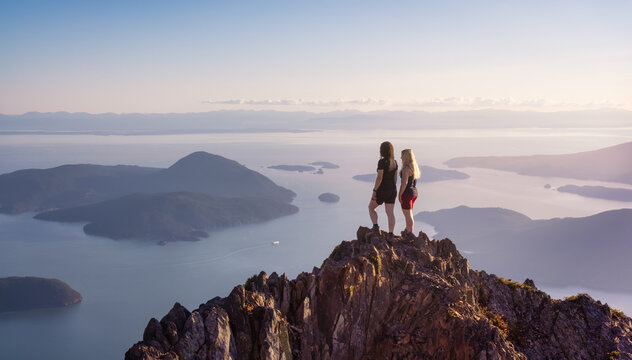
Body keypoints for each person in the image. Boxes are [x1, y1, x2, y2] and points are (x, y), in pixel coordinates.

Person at [369, 141, 398, 235]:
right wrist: (392, 189)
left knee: (371, 207)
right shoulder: (395, 162)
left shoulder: (382, 162)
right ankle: (391, 234)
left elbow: (379, 177)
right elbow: (395, 178)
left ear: (382, 150)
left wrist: (375, 190)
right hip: (392, 190)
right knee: (390, 213)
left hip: (382, 190)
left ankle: (375, 227)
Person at [398, 148, 420, 235]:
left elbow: (404, 183)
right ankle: (407, 230)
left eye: (402, 156)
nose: (400, 158)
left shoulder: (406, 168)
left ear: (405, 157)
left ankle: (410, 233)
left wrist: (400, 194)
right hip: (414, 193)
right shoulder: (414, 167)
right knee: (408, 213)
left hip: (407, 193)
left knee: (407, 215)